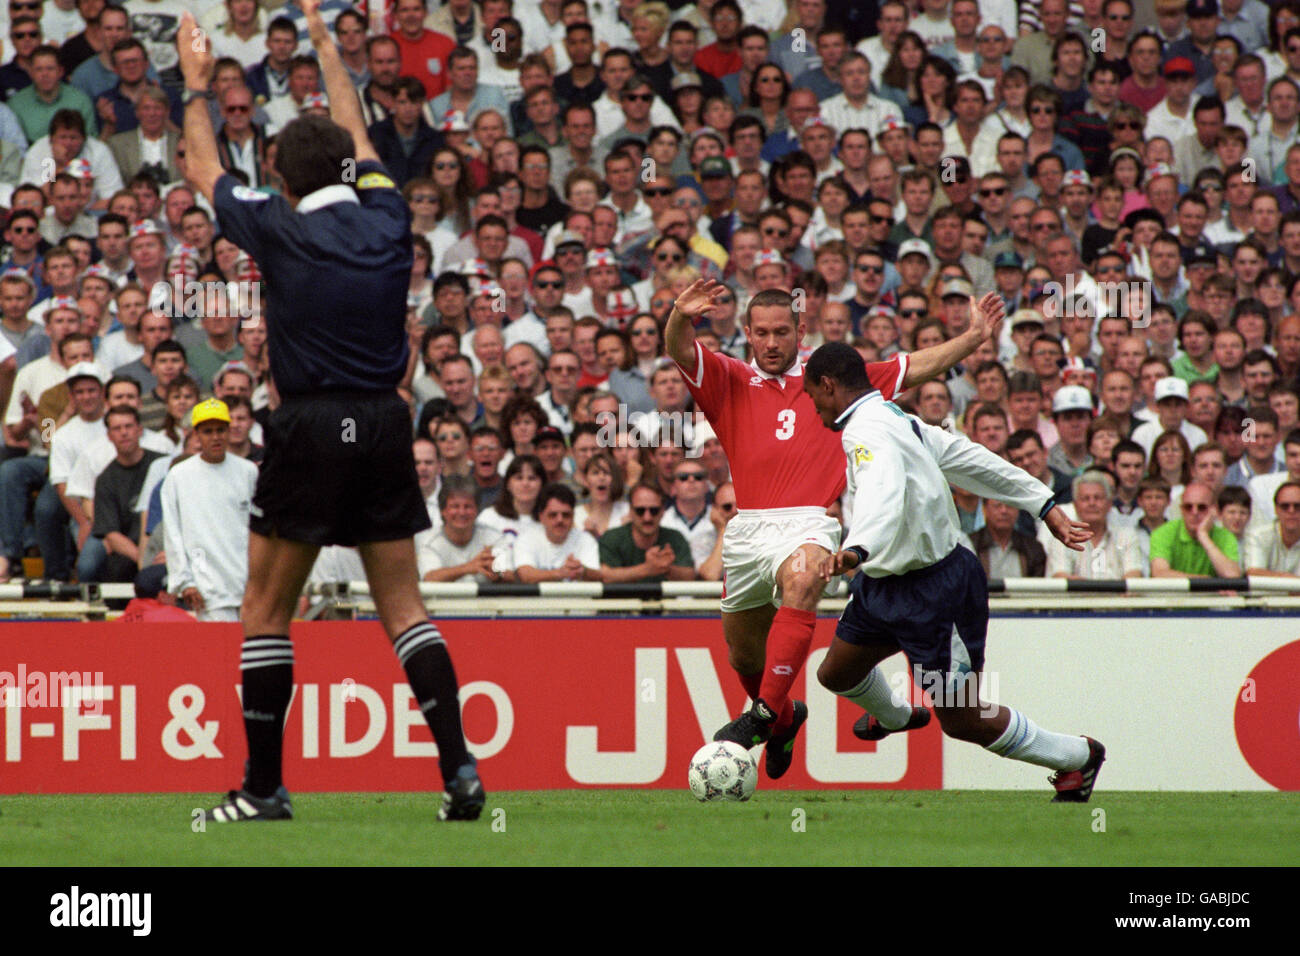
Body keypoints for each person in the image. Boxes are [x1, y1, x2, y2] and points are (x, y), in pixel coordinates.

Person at [177, 1, 483, 823]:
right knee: (405, 609)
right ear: (349, 169)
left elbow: (202, 166)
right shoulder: (387, 217)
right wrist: (323, 42)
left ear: (280, 173)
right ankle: (458, 770)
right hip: (384, 425)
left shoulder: (275, 227)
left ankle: (264, 788)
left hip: (309, 425)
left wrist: (196, 84)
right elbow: (359, 132)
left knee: (265, 611)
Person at [665, 276, 1004, 778]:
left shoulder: (829, 381)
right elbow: (678, 349)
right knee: (743, 656)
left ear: (800, 328)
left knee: (804, 579)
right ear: (748, 333)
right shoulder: (728, 378)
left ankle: (760, 716)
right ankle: (783, 719)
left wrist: (974, 338)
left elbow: (912, 367)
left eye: (783, 331)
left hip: (810, 521)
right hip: (749, 528)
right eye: (762, 332)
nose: (773, 342)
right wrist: (678, 315)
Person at [802, 341, 1106, 803]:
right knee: (836, 673)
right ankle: (899, 716)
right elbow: (967, 458)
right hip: (882, 586)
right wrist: (1042, 503)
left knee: (963, 721)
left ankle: (1078, 756)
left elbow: (882, 490)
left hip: (935, 592)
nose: (814, 409)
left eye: (812, 396)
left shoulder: (866, 433)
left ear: (827, 385)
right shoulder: (896, 419)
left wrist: (855, 548)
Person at [160, 399, 259, 621]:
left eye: (220, 430)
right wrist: (185, 582)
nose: (215, 437)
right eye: (208, 431)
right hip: (207, 589)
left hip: (247, 586)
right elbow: (173, 533)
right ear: (196, 434)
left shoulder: (248, 472)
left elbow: (258, 530)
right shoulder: (179, 476)